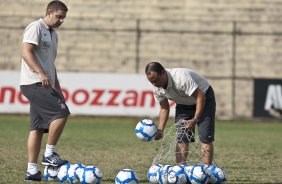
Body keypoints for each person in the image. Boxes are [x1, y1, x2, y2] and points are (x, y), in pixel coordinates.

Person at [20, 1, 70, 181]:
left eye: (63, 17)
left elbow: (51, 64)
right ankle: (50, 154)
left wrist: (58, 88)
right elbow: (26, 52)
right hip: (33, 83)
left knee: (38, 128)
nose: (61, 21)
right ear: (49, 13)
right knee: (62, 112)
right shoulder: (36, 27)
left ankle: (32, 171)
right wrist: (40, 73)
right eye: (59, 16)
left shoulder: (53, 34)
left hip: (45, 84)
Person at [145, 61, 216, 165]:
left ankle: (207, 171)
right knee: (182, 138)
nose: (155, 84)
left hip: (204, 98)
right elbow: (164, 108)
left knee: (205, 137)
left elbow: (200, 96)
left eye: (156, 80)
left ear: (163, 72)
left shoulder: (180, 78)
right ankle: (180, 170)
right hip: (183, 104)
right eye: (151, 82)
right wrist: (160, 129)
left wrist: (195, 119)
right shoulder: (157, 88)